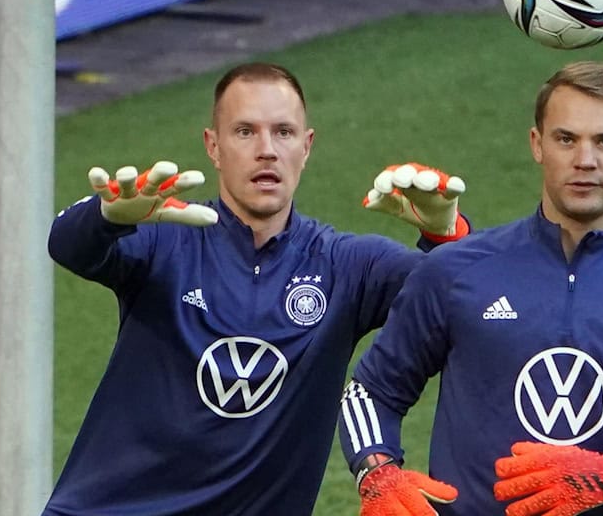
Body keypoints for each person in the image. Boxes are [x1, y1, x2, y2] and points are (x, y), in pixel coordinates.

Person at [43, 62, 470, 515]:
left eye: (283, 133)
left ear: (306, 147)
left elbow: (463, 300)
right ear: (214, 146)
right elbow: (67, 246)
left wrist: (446, 235)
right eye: (245, 132)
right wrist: (108, 217)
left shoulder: (347, 266)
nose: (266, 151)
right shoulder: (165, 235)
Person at [338, 60, 603, 516]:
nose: (585, 160)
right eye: (566, 139)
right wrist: (377, 472)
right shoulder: (456, 272)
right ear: (537, 144)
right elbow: (371, 391)